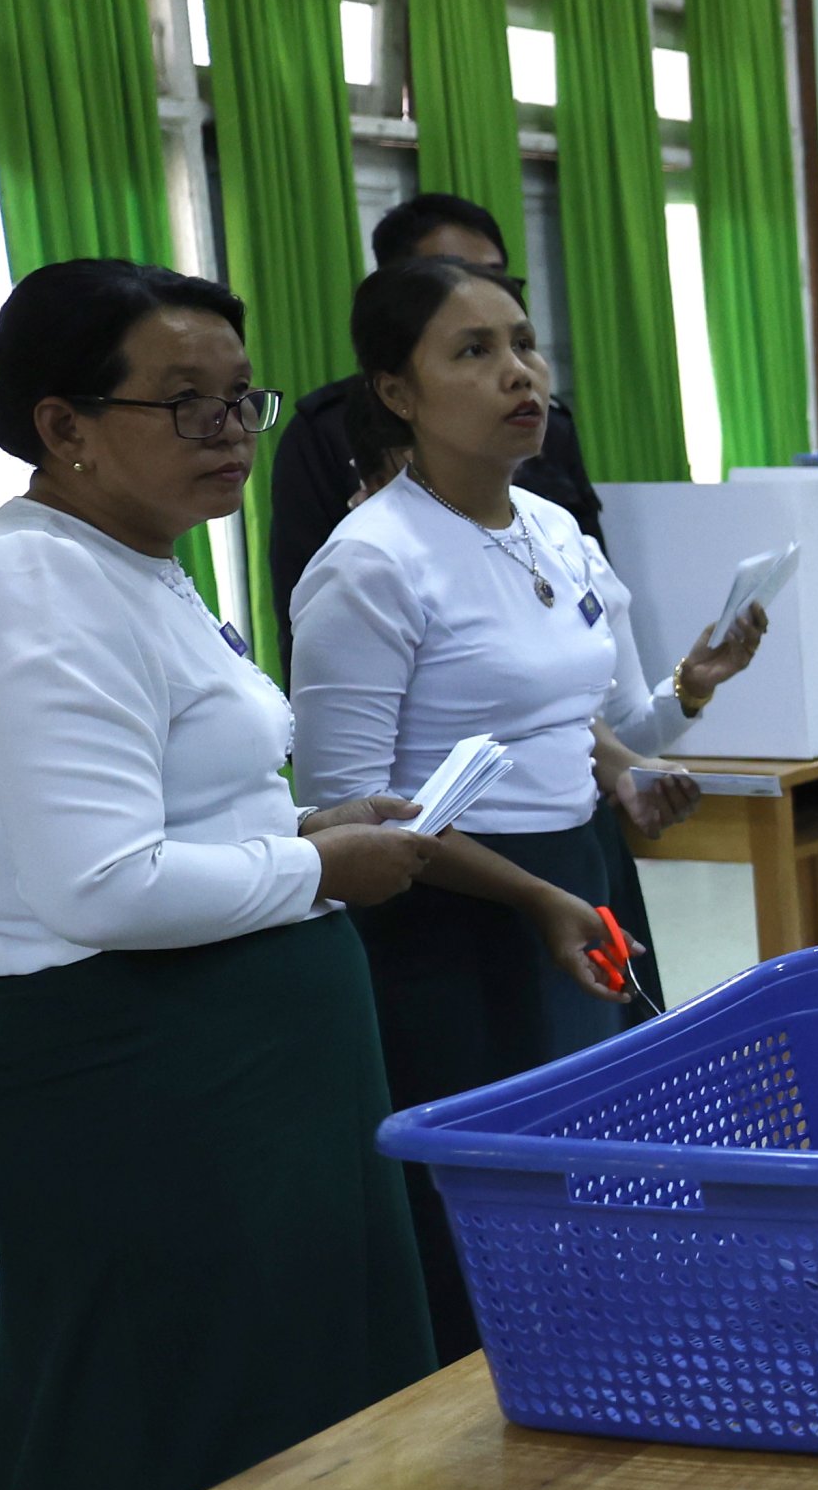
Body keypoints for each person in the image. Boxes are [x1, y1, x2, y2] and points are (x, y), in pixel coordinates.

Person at [0, 260, 515, 1490]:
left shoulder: (136, 563)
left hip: (239, 1064)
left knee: (303, 1441)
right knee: (162, 1473)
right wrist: (323, 865)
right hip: (134, 1085)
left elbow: (201, 807)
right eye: (184, 403)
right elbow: (101, 885)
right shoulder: (29, 595)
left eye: (241, 395)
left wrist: (319, 834)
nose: (233, 431)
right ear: (59, 426)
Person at [289, 257, 766, 1362]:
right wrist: (536, 896)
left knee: (596, 1158)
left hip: (576, 881)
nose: (519, 374)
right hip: (450, 919)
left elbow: (588, 723)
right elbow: (345, 809)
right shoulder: (369, 565)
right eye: (473, 352)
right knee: (490, 1200)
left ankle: (611, 1373)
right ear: (397, 395)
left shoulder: (553, 526)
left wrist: (683, 700)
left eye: (523, 344)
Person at [263, 192, 606, 668]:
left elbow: (595, 604)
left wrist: (683, 692)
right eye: (450, 273)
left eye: (495, 276)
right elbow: (310, 637)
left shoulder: (546, 432)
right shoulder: (326, 437)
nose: (476, 290)